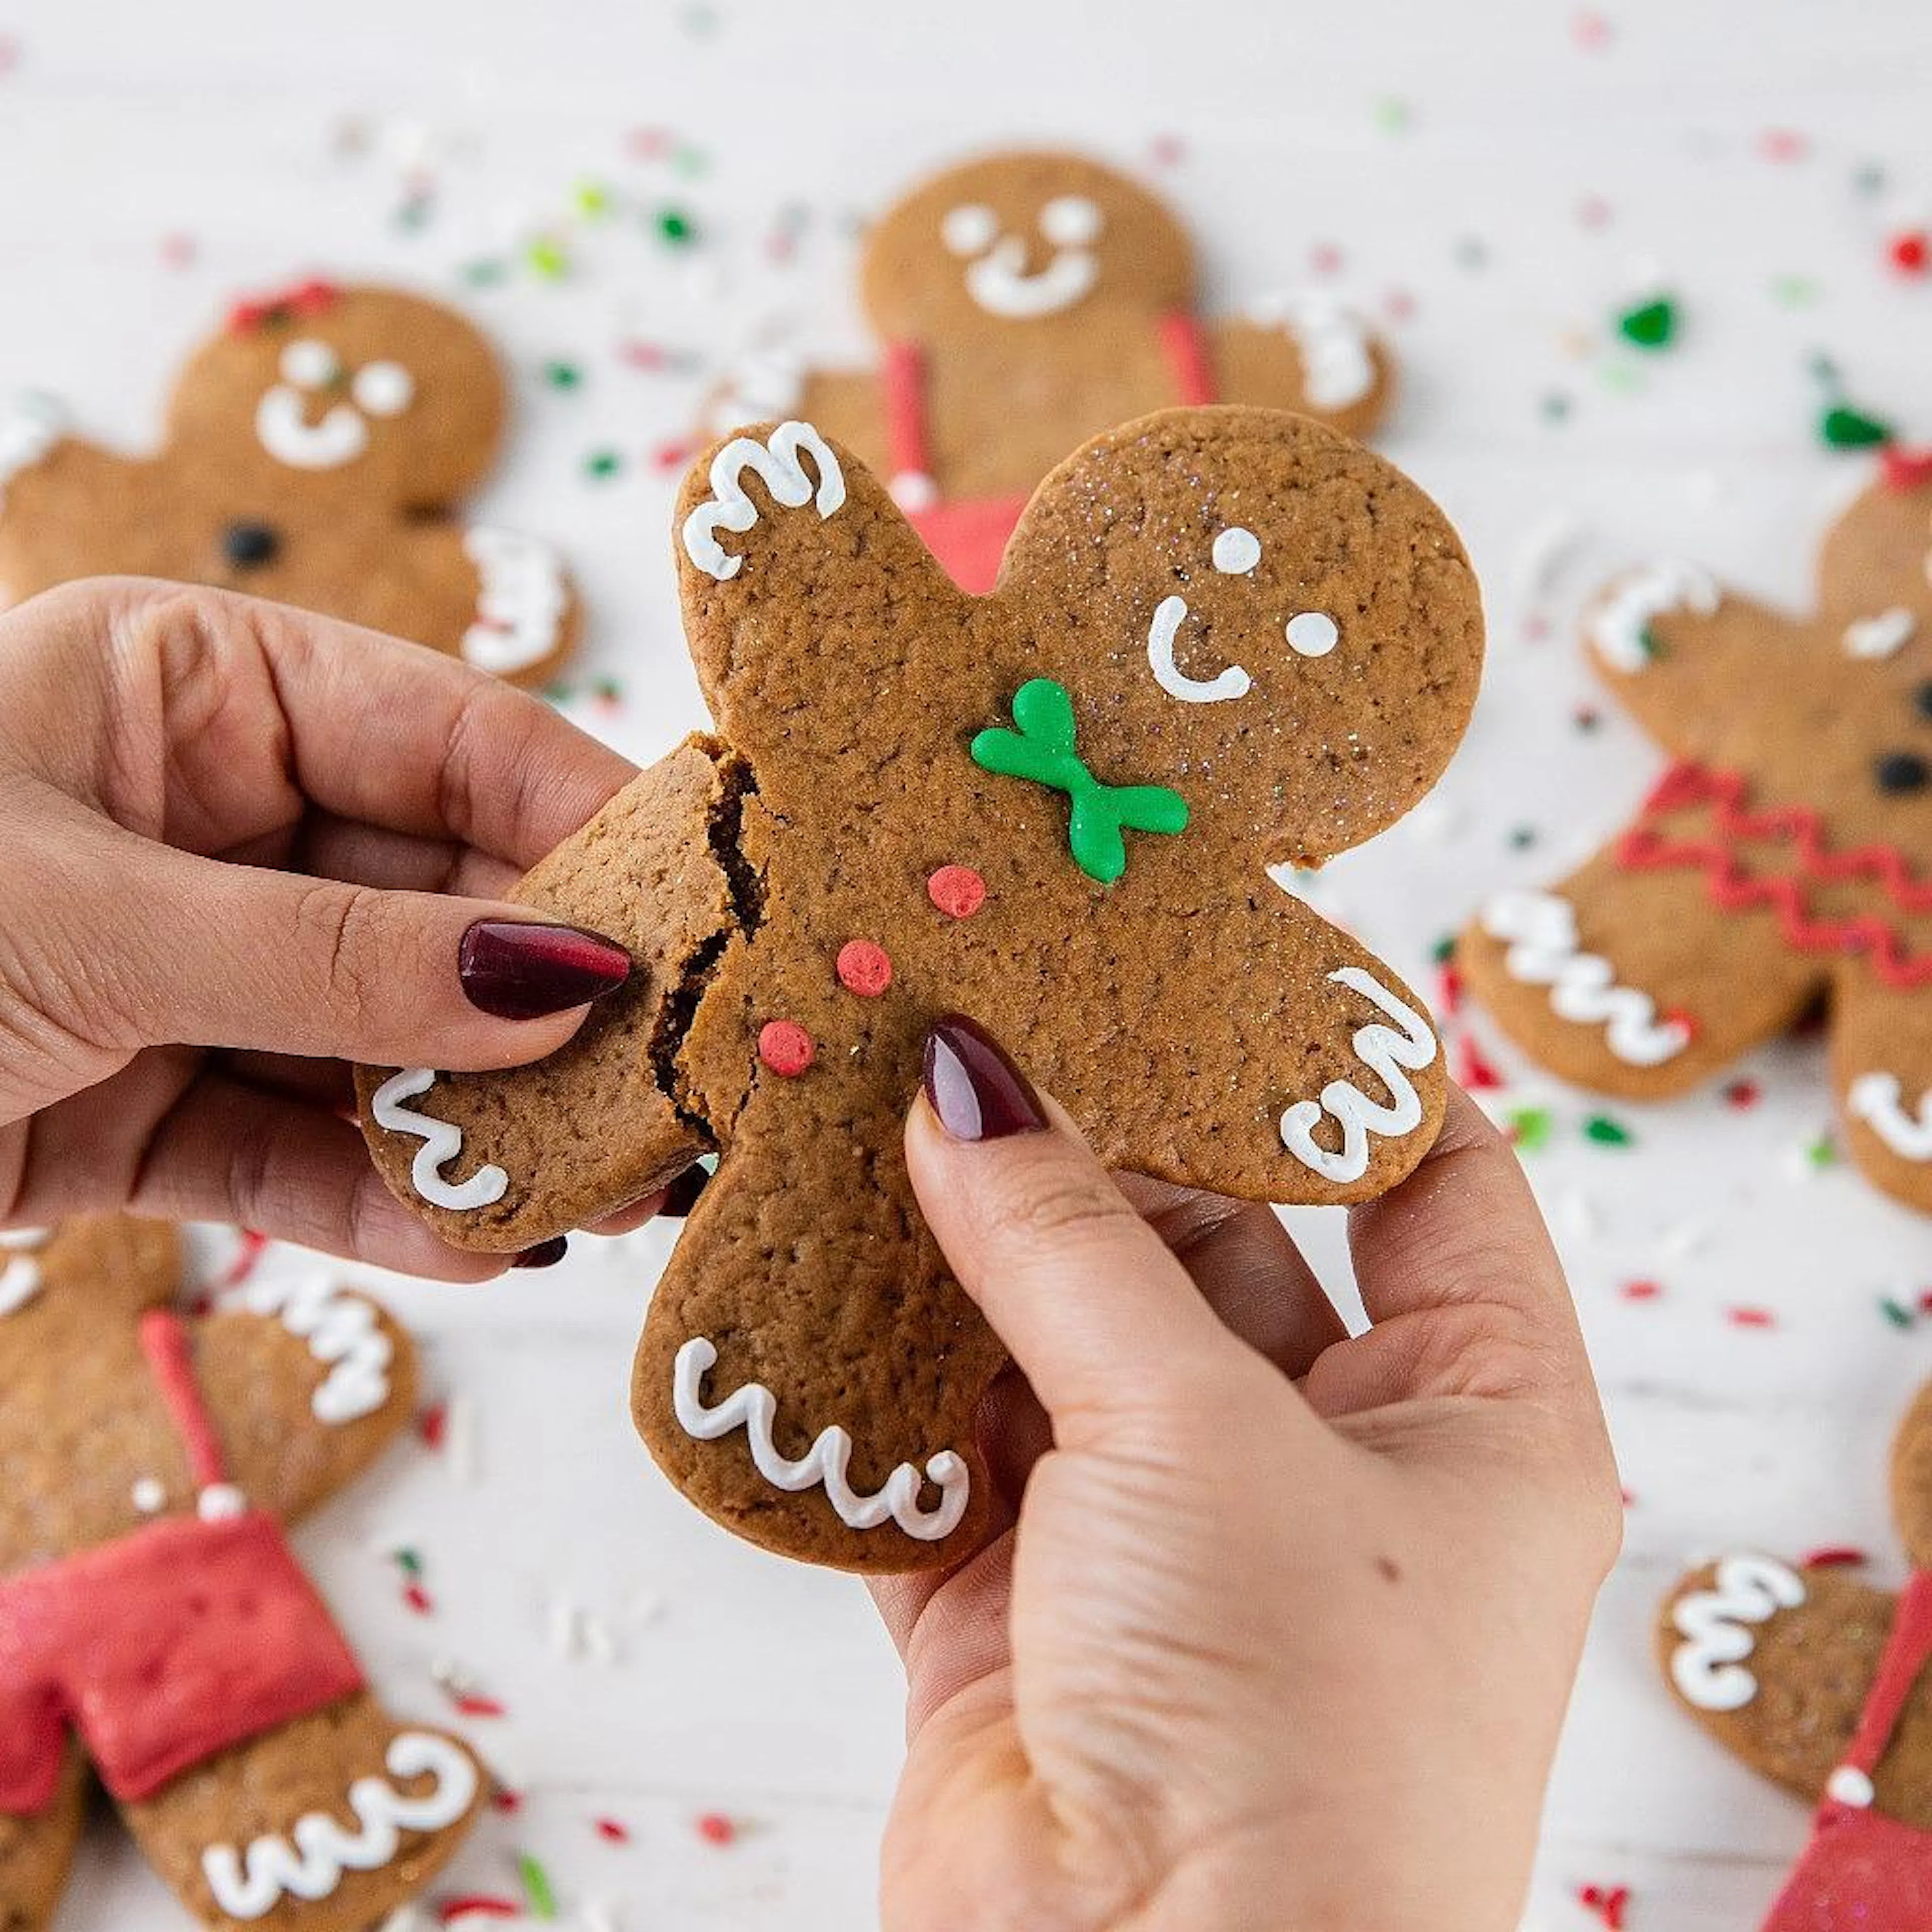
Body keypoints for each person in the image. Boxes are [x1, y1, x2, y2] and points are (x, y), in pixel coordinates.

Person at [0, 579, 1621, 1930]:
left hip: (871, 1155)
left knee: (856, 1274)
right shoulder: (926, 682)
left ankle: (819, 1421)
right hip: (715, 942)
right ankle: (477, 1116)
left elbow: (1262, 1007)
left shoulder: (1192, 913)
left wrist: (1334, 1055)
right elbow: (832, 607)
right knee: (595, 1015)